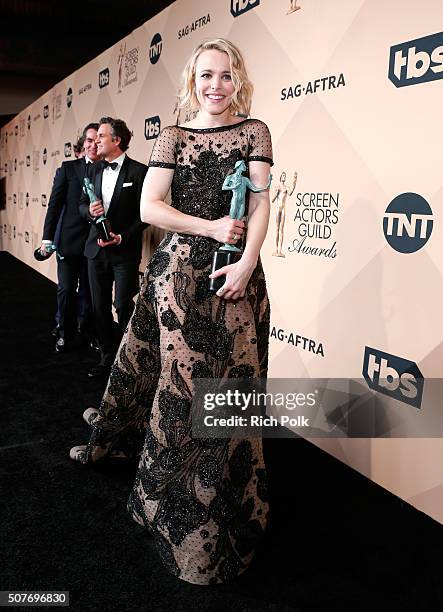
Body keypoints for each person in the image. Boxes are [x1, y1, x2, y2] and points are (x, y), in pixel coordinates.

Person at [70, 39, 273, 585]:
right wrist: (210, 228)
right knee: (184, 391)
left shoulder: (255, 132)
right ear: (192, 79)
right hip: (180, 277)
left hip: (236, 275)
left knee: (232, 390)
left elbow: (259, 203)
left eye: (226, 76)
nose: (216, 86)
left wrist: (247, 263)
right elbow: (149, 206)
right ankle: (176, 517)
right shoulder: (173, 136)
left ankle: (229, 511)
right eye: (206, 75)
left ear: (239, 80)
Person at [78, 117, 148, 378]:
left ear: (116, 140)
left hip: (124, 252)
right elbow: (81, 204)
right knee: (99, 308)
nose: (96, 142)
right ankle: (107, 359)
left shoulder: (139, 172)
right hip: (95, 251)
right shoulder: (94, 170)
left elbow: (144, 215)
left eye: (101, 137)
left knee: (123, 305)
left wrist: (122, 237)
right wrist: (89, 211)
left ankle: (128, 361)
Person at [40, 123, 99, 352]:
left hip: (95, 244)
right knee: (66, 289)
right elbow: (54, 206)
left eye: (97, 140)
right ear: (83, 144)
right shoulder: (68, 168)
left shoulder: (107, 169)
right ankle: (64, 331)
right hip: (68, 241)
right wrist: (47, 238)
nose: (92, 144)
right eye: (89, 140)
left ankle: (88, 332)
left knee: (89, 292)